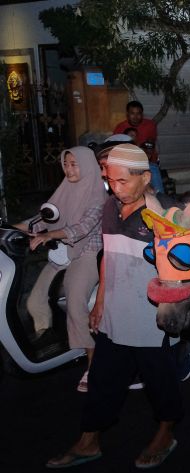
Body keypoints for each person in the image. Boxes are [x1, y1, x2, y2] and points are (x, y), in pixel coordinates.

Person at [45, 144, 185, 469]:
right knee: (102, 380)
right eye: (111, 181)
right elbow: (108, 255)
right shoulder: (110, 208)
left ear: (145, 178)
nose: (116, 189)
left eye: (123, 182)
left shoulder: (165, 215)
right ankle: (88, 441)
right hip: (114, 314)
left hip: (150, 318)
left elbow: (186, 267)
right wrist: (101, 303)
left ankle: (166, 432)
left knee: (160, 381)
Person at [19, 147, 107, 392]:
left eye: (74, 164)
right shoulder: (64, 190)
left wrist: (49, 235)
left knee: (74, 300)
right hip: (61, 252)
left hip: (86, 253)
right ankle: (47, 337)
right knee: (34, 300)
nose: (69, 169)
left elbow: (83, 227)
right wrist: (13, 229)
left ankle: (93, 362)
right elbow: (41, 218)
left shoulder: (97, 195)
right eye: (66, 164)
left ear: (87, 166)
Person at [113, 101, 164, 194]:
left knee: (153, 173)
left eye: (138, 113)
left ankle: (161, 200)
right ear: (127, 114)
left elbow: (151, 145)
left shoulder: (150, 125)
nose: (136, 117)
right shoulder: (120, 128)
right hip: (128, 163)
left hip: (147, 162)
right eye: (132, 113)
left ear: (142, 114)